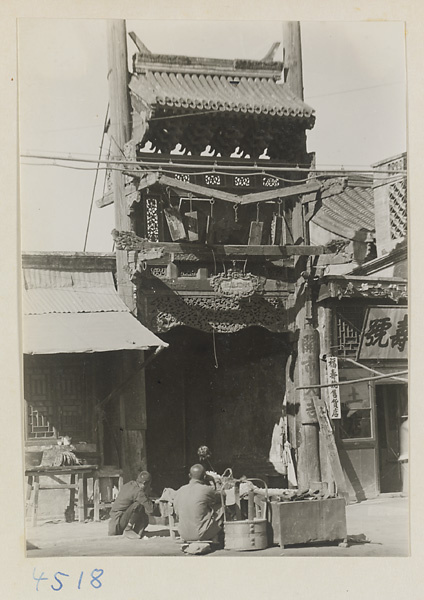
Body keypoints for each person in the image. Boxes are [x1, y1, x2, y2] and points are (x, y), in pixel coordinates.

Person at [173, 464, 224, 543]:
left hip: (183, 534)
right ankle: (217, 537)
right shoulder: (206, 490)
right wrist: (215, 481)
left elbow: (176, 513)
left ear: (189, 475)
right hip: (201, 534)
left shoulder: (180, 490)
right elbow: (222, 496)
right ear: (204, 477)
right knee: (221, 506)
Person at [108, 470, 153, 539]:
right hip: (118, 524)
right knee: (139, 505)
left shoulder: (129, 484)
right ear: (145, 483)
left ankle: (135, 531)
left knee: (141, 506)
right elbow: (150, 509)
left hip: (114, 523)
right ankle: (128, 529)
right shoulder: (138, 492)